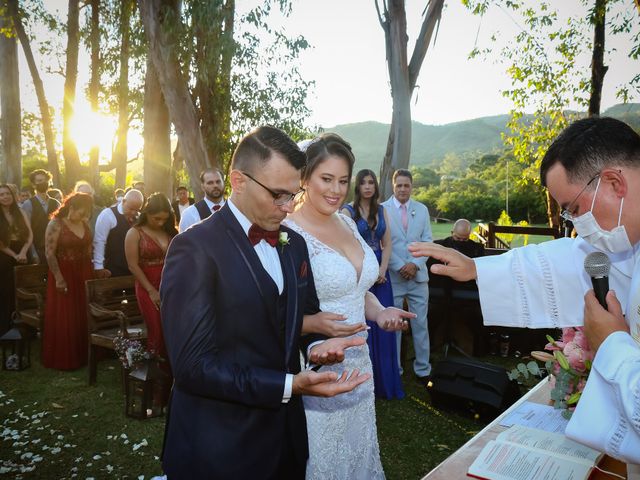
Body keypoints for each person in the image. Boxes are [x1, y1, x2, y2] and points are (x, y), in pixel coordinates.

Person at [409, 117, 640, 469]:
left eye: (575, 209)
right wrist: (477, 269)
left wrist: (611, 344)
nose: (576, 224)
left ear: (613, 182)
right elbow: (564, 259)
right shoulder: (626, 241)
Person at [160, 125, 371, 478]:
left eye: (293, 194)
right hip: (220, 444)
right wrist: (290, 385)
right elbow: (192, 367)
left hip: (286, 441)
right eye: (278, 195)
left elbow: (298, 320)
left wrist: (318, 345)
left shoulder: (293, 245)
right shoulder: (194, 249)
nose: (288, 208)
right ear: (238, 181)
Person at [285, 134, 412, 479]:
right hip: (319, 363)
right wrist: (315, 327)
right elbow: (277, 313)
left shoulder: (345, 220)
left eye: (343, 181)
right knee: (325, 459)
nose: (336, 190)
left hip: (360, 364)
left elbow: (358, 289)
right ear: (304, 178)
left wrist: (380, 313)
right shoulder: (288, 234)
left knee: (359, 453)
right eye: (326, 179)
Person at [342, 168, 404, 399]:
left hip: (382, 274)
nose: (368, 186)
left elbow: (387, 244)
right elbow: (346, 248)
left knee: (385, 325)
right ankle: (364, 383)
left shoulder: (383, 211)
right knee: (364, 324)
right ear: (357, 187)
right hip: (359, 272)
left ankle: (386, 384)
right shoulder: (347, 212)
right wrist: (367, 272)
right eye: (363, 183)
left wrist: (382, 269)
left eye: (371, 183)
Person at [381, 169, 433, 385]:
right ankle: (396, 369)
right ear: (393, 186)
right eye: (399, 185)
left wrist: (415, 264)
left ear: (412, 186)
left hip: (418, 277)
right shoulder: (382, 209)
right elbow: (383, 243)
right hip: (394, 277)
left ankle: (423, 370)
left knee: (420, 324)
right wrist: (400, 266)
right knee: (395, 326)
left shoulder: (421, 210)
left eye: (406, 185)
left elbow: (428, 241)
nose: (403, 189)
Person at [42, 193, 94, 370]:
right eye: (81, 212)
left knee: (83, 311)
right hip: (64, 272)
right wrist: (59, 278)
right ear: (71, 208)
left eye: (86, 213)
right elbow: (49, 253)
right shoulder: (55, 224)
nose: (83, 216)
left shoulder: (84, 223)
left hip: (84, 271)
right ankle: (67, 357)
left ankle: (85, 353)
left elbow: (89, 249)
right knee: (67, 313)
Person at [125, 193, 177, 363]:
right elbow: (133, 265)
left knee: (172, 328)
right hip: (147, 286)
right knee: (156, 328)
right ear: (147, 213)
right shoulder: (134, 233)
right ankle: (155, 375)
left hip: (170, 285)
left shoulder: (169, 232)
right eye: (157, 218)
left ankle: (172, 373)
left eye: (164, 219)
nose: (161, 222)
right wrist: (151, 290)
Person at [0, 184, 33, 335]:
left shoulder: (20, 211)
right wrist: (15, 255)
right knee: (7, 292)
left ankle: (26, 329)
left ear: (13, 195)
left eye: (7, 194)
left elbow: (30, 235)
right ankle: (6, 329)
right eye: (1, 195)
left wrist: (24, 252)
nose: (5, 197)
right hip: (5, 254)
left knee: (25, 289)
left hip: (24, 252)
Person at [93, 189, 143, 278]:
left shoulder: (138, 217)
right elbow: (99, 241)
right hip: (112, 268)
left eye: (136, 210)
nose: (133, 212)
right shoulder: (108, 214)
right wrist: (99, 267)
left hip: (134, 270)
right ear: (123, 201)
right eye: (131, 208)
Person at [22, 169, 60, 264]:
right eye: (39, 181)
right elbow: (26, 231)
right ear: (34, 184)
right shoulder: (28, 204)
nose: (42, 183)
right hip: (38, 250)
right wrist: (33, 254)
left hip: (56, 250)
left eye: (45, 181)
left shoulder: (56, 203)